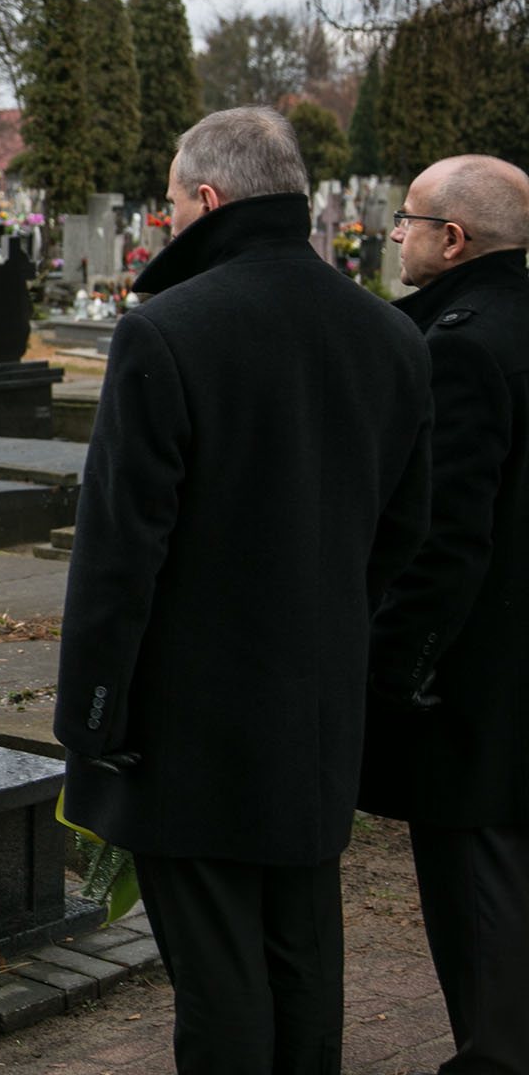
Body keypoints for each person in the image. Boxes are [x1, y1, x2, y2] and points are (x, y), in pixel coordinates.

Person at [55, 106, 434, 1074]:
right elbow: (404, 530)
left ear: (208, 197)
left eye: (173, 202)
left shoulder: (166, 331)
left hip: (192, 718)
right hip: (317, 703)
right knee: (301, 948)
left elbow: (120, 551)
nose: (168, 219)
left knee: (218, 968)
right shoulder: (391, 334)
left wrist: (92, 711)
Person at [360, 154, 529, 1073]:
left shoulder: (458, 346)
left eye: (409, 218)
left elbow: (444, 538)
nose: (396, 233)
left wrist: (395, 669)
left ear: (453, 239)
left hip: (477, 687)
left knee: (480, 899)